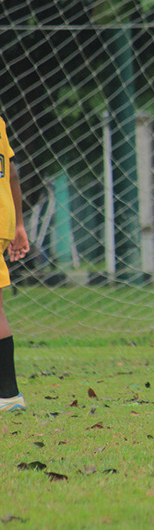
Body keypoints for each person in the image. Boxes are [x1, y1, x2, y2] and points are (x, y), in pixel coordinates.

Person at [0, 115, 29, 412]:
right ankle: (8, 395)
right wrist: (19, 224)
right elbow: (12, 174)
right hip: (3, 220)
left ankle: (9, 396)